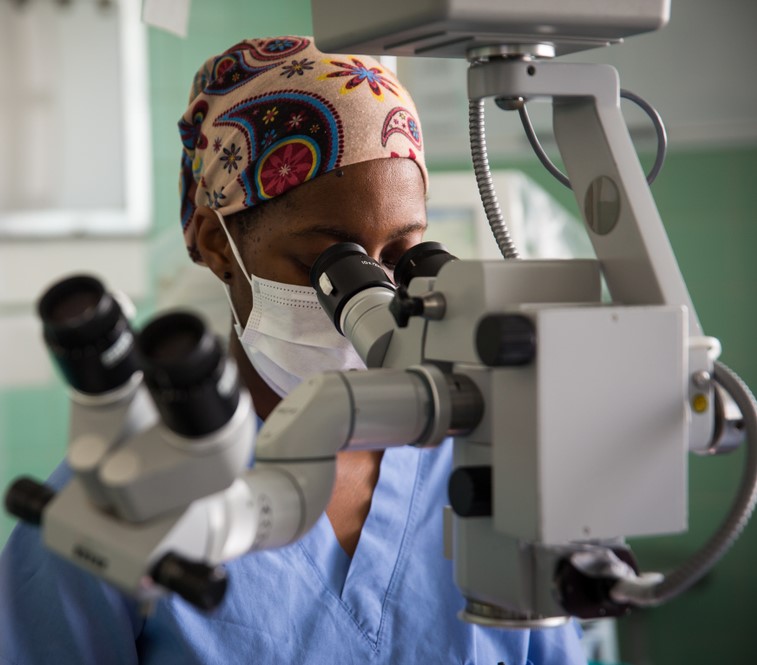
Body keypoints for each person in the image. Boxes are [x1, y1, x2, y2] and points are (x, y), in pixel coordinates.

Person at [0, 36, 587, 664]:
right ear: (218, 244)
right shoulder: (121, 500)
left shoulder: (483, 464)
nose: (376, 298)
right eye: (329, 261)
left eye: (402, 257)